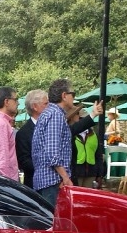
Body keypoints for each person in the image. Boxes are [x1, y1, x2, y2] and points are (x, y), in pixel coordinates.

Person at [31, 78, 102, 206]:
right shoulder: (55, 115)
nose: (74, 98)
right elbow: (52, 154)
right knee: (54, 222)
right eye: (73, 94)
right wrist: (65, 178)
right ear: (64, 96)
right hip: (52, 181)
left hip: (49, 180)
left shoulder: (49, 113)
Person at [16, 89, 47, 189]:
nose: (49, 107)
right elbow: (24, 161)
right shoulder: (23, 133)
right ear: (35, 107)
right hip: (35, 185)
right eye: (46, 104)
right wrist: (47, 168)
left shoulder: (51, 127)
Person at [71, 105, 104, 187]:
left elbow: (98, 155)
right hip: (76, 173)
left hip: (91, 172)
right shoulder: (71, 133)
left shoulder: (93, 134)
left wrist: (100, 174)